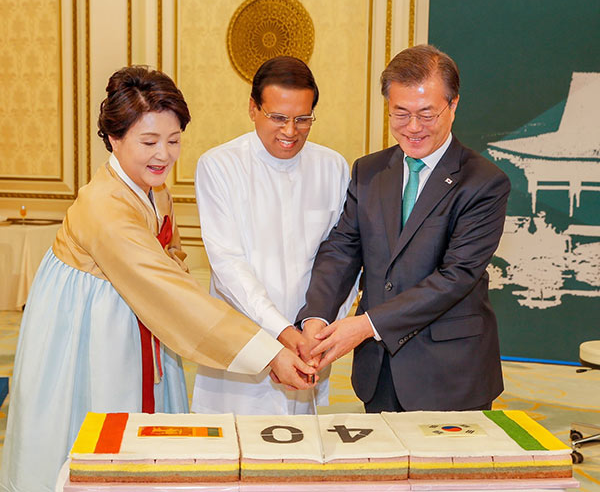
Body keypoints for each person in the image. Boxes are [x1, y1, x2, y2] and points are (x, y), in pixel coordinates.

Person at [0, 66, 315, 492]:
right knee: (90, 426)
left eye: (173, 141)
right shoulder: (104, 207)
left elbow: (173, 263)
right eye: (149, 142)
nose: (163, 155)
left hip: (134, 317)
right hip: (88, 329)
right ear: (114, 138)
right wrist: (268, 353)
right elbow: (171, 293)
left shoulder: (153, 187)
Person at [298, 44, 511, 413]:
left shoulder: (484, 182)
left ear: (454, 104)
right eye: (401, 113)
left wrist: (366, 325)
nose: (413, 128)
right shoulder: (369, 171)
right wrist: (316, 316)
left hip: (450, 373)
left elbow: (456, 277)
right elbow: (342, 249)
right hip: (378, 371)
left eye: (427, 114)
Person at [192, 56, 357, 415]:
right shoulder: (219, 165)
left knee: (300, 458)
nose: (290, 131)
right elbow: (228, 266)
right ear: (253, 108)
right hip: (243, 342)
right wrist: (282, 333)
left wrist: (322, 331)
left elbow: (343, 258)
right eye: (278, 118)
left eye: (303, 119)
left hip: (308, 347)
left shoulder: (333, 167)